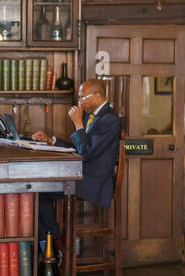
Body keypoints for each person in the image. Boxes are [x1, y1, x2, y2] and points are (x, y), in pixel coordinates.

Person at [33, 79, 121, 247]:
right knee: (37, 191)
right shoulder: (90, 116)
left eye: (83, 97)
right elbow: (79, 148)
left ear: (97, 95)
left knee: (40, 192)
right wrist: (51, 140)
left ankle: (53, 244)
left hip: (95, 179)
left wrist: (78, 124)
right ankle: (51, 244)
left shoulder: (110, 119)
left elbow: (85, 153)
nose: (79, 102)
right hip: (81, 173)